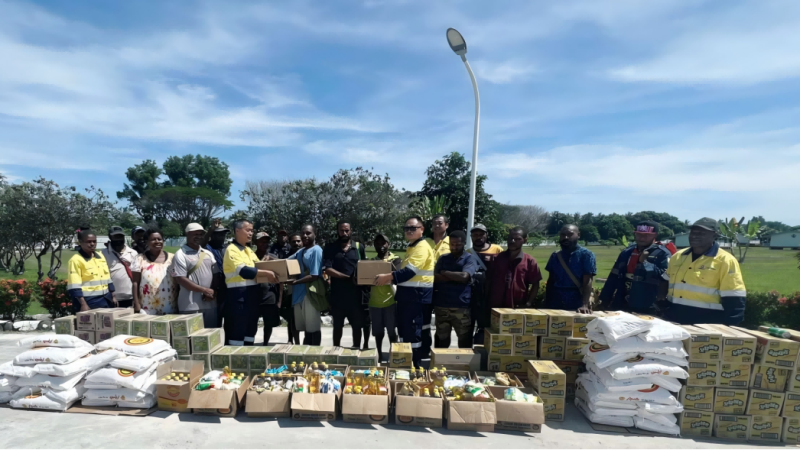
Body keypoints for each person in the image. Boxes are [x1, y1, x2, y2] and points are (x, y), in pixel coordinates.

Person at [662, 218, 746, 325]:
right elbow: (665, 281)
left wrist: (731, 326)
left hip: (707, 323)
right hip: (673, 318)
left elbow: (734, 296)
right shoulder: (678, 256)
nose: (694, 236)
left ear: (714, 235)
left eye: (701, 233)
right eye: (693, 232)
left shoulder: (725, 260)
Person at [375, 216, 435, 367]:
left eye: (413, 228)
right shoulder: (413, 247)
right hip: (409, 297)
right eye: (406, 228)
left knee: (412, 333)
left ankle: (414, 366)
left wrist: (387, 277)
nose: (409, 230)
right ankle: (407, 364)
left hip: (415, 297)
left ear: (422, 229)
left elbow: (409, 272)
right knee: (407, 331)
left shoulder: (422, 247)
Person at [223, 220, 277, 346]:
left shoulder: (248, 250)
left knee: (250, 332)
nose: (251, 233)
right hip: (238, 297)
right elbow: (244, 271)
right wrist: (267, 273)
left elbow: (259, 266)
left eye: (252, 230)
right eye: (248, 230)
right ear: (237, 231)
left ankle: (247, 356)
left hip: (252, 296)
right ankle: (236, 357)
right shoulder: (232, 249)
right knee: (237, 333)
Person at [599, 221, 671, 314]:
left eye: (647, 235)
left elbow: (665, 278)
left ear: (655, 235)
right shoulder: (626, 252)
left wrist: (645, 263)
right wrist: (604, 299)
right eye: (638, 234)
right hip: (621, 301)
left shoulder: (662, 254)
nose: (642, 238)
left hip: (647, 304)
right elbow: (613, 277)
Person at [323, 221, 368, 349]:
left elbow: (364, 267)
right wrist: (347, 278)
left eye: (347, 230)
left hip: (356, 296)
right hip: (337, 296)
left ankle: (356, 350)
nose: (344, 233)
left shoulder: (359, 247)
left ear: (351, 231)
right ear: (338, 231)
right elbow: (327, 269)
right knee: (337, 326)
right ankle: (336, 350)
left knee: (357, 326)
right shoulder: (331, 248)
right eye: (342, 230)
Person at [433, 231, 478, 348]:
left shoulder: (470, 259)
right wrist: (455, 276)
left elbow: (464, 277)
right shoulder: (443, 258)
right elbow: (435, 277)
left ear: (464, 243)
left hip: (461, 306)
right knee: (441, 339)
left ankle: (463, 360)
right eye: (452, 244)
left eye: (458, 244)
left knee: (464, 340)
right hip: (442, 305)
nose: (454, 247)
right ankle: (440, 359)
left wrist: (444, 272)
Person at [171, 223, 220, 327]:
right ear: (187, 234)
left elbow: (216, 275)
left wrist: (213, 291)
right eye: (195, 234)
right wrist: (205, 290)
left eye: (201, 234)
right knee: (192, 335)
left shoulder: (208, 253)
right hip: (190, 306)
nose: (199, 237)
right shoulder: (180, 254)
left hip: (210, 303)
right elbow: (181, 279)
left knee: (210, 334)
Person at [545, 224, 596, 313]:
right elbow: (551, 281)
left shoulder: (586, 255)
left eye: (570, 234)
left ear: (578, 235)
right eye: (563, 235)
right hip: (555, 301)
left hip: (577, 302)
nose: (566, 237)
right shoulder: (555, 256)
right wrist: (547, 301)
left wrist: (584, 304)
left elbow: (588, 281)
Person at [467, 223, 504, 345]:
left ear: (486, 235)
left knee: (486, 327)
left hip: (490, 295)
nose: (478, 237)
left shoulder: (497, 250)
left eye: (481, 234)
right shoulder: (467, 252)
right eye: (475, 235)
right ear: (471, 237)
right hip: (472, 296)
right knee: (468, 327)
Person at [488, 227, 542, 309]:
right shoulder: (496, 258)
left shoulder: (529, 261)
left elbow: (535, 284)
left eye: (517, 239)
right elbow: (488, 281)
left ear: (524, 240)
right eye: (510, 238)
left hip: (517, 308)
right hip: (495, 307)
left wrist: (528, 303)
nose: (512, 241)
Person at [288, 225, 324, 345]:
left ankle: (314, 352)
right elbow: (286, 261)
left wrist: (295, 282)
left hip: (310, 294)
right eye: (303, 233)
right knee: (305, 329)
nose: (305, 236)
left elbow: (314, 275)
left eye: (308, 233)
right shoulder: (301, 251)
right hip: (298, 295)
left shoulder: (316, 250)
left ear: (315, 234)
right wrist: (270, 258)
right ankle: (307, 351)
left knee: (313, 329)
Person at [369, 232, 401, 362]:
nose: (380, 245)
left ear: (388, 244)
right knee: (378, 333)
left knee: (392, 332)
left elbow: (397, 274)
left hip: (390, 302)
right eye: (377, 243)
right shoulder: (371, 262)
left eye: (383, 243)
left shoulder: (395, 260)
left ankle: (394, 356)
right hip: (374, 302)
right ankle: (380, 355)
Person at [68, 230, 118, 312]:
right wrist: (83, 304)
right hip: (90, 301)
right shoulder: (76, 260)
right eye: (89, 242)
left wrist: (113, 296)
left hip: (106, 299)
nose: (92, 244)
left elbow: (107, 278)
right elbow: (74, 286)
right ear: (80, 242)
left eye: (94, 241)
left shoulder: (100, 256)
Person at [131, 228, 178, 315]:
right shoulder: (139, 259)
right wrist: (136, 303)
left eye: (159, 239)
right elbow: (135, 282)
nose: (157, 242)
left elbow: (178, 281)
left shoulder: (173, 258)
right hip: (147, 307)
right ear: (146, 242)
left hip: (170, 306)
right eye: (153, 239)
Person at [254, 231, 283, 345]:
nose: (264, 244)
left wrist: (279, 301)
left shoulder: (273, 258)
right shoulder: (250, 257)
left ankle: (265, 344)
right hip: (253, 296)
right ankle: (250, 342)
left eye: (266, 241)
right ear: (256, 242)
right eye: (261, 241)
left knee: (268, 324)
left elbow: (280, 281)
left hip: (269, 296)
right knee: (252, 323)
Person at [101, 226, 137, 308]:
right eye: (116, 237)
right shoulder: (103, 254)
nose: (118, 239)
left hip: (131, 296)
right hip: (113, 298)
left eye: (120, 236)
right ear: (110, 237)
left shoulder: (133, 253)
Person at [204, 219, 229, 328]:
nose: (221, 237)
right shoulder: (207, 247)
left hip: (226, 287)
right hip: (213, 286)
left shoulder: (226, 248)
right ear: (212, 235)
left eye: (223, 234)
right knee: (215, 319)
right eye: (219, 234)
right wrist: (211, 229)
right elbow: (202, 243)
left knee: (228, 317)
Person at [280, 232, 303, 344]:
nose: (296, 243)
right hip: (292, 291)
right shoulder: (287, 257)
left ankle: (305, 341)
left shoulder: (306, 254)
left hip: (305, 291)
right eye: (293, 241)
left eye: (298, 241)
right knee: (292, 318)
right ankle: (291, 340)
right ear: (289, 243)